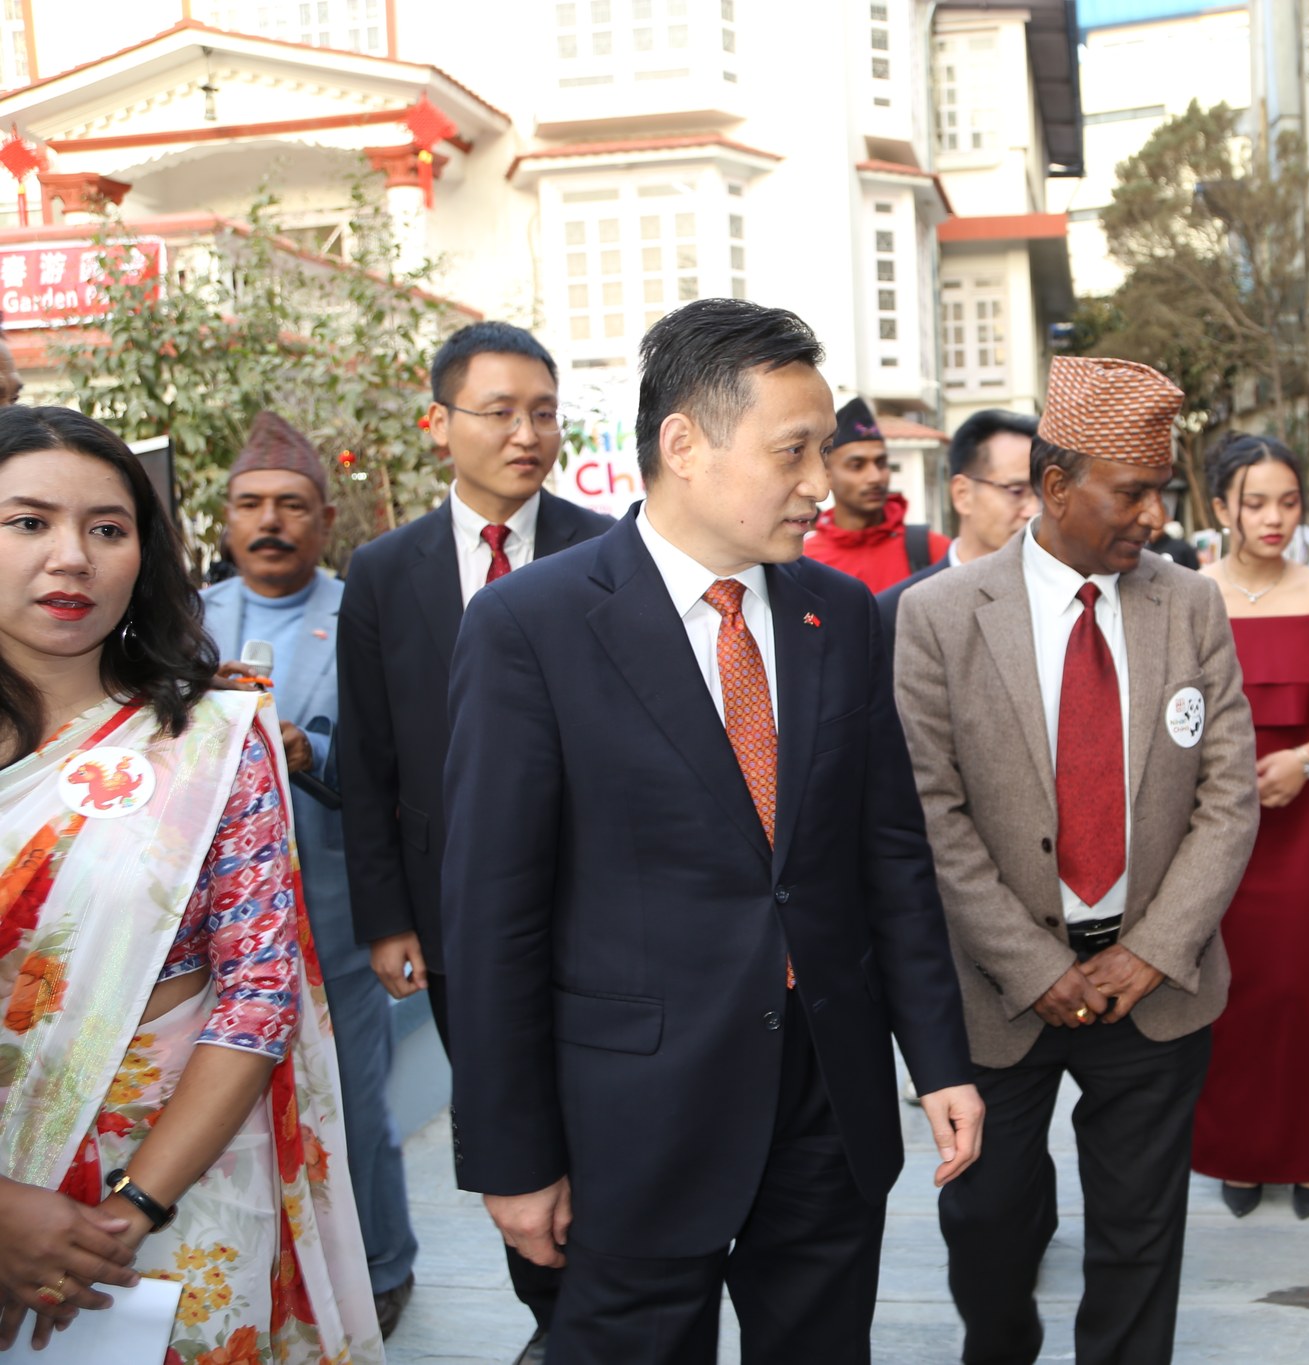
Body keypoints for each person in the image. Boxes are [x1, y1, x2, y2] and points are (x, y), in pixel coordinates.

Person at [440, 298, 983, 1365]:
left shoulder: (837, 615)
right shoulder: (531, 627)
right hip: (632, 1114)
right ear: (683, 444)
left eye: (822, 452)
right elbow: (490, 915)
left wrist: (938, 1060)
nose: (820, 484)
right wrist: (511, 1155)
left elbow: (887, 856)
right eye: (792, 452)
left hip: (824, 1093)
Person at [893, 355, 1260, 1365]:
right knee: (990, 1234)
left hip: (1153, 988)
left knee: (1138, 1241)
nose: (1152, 515)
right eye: (1132, 491)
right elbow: (933, 815)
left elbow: (1228, 798)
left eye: (1160, 492)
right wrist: (1035, 967)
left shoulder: (1187, 607)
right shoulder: (936, 616)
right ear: (1054, 486)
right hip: (995, 995)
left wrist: (1149, 951)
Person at [0, 405, 380, 1362]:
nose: (73, 557)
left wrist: (130, 1211)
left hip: (183, 1193)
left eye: (109, 528)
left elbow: (257, 994)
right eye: (29, 522)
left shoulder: (212, 739)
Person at [337, 320, 611, 1365]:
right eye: (499, 411)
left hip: (598, 904)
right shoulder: (385, 571)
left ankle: (606, 1315)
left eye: (542, 412)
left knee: (601, 1116)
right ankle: (553, 1322)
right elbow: (370, 761)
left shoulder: (608, 547)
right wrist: (386, 917)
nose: (526, 433)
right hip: (451, 917)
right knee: (508, 1122)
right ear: (439, 423)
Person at [201, 412, 419, 1330]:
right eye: (250, 504)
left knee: (354, 1098)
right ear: (225, 520)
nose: (270, 522)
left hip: (331, 895)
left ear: (327, 519)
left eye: (292, 505)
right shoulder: (189, 617)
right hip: (217, 908)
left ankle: (381, 1263)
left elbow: (394, 756)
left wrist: (308, 750)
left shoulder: (359, 612)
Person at [1190, 434, 1309, 1219]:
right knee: (1227, 983)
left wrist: (1304, 759)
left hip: (1303, 814)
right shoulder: (1187, 593)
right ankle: (1240, 1150)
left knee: (1297, 981)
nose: (1274, 518)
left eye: (1289, 501)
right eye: (1256, 501)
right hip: (1211, 819)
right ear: (1220, 507)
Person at [876, 408, 1039, 646]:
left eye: (1043, 493)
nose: (1033, 510)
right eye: (1016, 491)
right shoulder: (898, 612)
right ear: (962, 494)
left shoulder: (1066, 599)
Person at [804, 395, 949, 591]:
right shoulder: (804, 561)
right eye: (857, 465)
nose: (875, 477)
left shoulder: (933, 550)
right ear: (827, 475)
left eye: (881, 463)